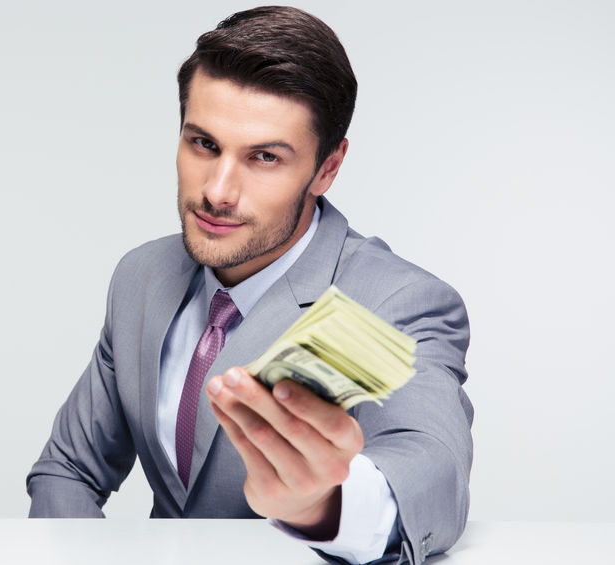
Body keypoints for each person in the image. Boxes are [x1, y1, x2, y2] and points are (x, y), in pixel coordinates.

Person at [27, 6, 473, 565]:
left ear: (327, 169)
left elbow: (431, 468)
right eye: (203, 144)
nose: (217, 191)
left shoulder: (393, 303)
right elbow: (66, 470)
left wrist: (322, 504)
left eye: (264, 157)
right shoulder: (141, 277)